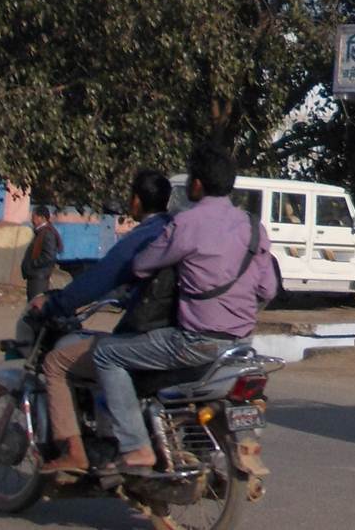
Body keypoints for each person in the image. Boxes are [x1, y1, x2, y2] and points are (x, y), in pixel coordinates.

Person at [93, 144, 275, 473]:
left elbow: (142, 265)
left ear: (197, 184)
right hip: (240, 347)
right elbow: (268, 289)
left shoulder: (187, 223)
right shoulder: (254, 227)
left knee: (106, 353)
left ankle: (135, 447)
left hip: (194, 343)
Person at [30, 169, 174, 475]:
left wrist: (56, 303)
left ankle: (75, 451)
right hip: (177, 333)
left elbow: (98, 279)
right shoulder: (175, 231)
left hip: (148, 335)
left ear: (135, 201)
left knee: (56, 362)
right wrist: (127, 294)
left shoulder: (142, 237)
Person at [21, 205, 62, 300]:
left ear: (42, 218)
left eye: (34, 217)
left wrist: (33, 264)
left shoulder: (47, 233)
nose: (32, 220)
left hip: (39, 278)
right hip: (35, 276)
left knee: (36, 307)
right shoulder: (40, 232)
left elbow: (49, 256)